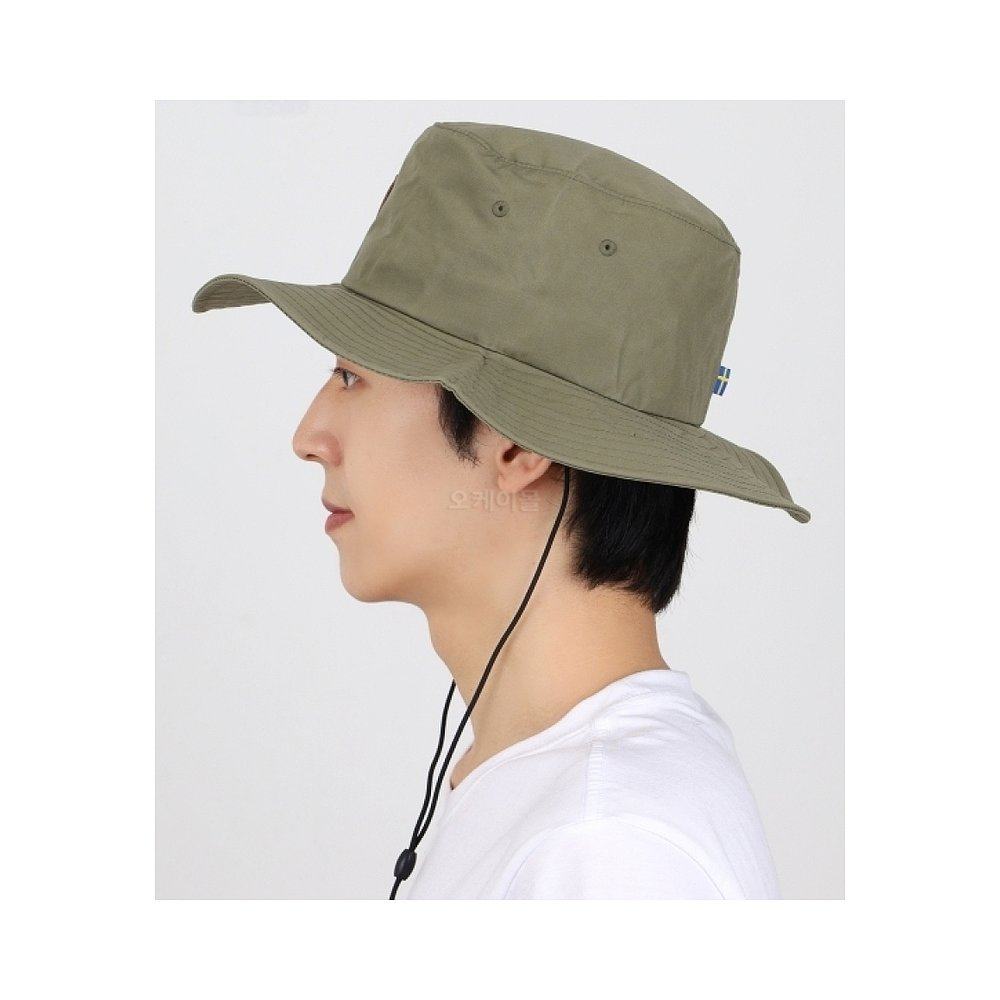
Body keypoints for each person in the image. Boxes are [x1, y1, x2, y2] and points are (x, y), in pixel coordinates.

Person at [193, 121, 810, 899]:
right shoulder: (557, 793)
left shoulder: (609, 844)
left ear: (517, 443)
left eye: (352, 377)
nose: (308, 437)